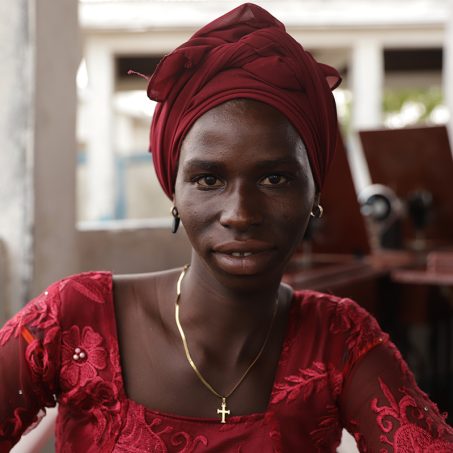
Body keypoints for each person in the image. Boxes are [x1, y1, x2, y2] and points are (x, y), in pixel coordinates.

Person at [1, 3, 452, 452]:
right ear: (173, 192)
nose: (240, 213)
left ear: (315, 193)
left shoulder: (337, 339)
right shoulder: (74, 321)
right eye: (208, 179)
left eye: (274, 178)